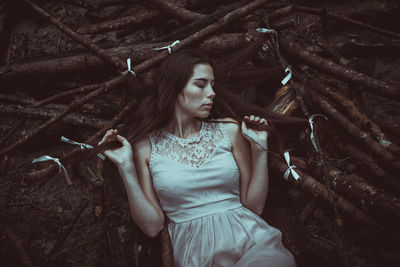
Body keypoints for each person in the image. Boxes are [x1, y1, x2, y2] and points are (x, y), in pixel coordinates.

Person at [98, 49, 297, 266]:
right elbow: (152, 226)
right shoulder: (145, 147)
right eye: (201, 85)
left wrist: (259, 147)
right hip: (196, 255)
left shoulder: (229, 130)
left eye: (212, 85)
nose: (211, 93)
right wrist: (125, 167)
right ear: (174, 87)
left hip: (252, 241)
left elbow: (254, 206)